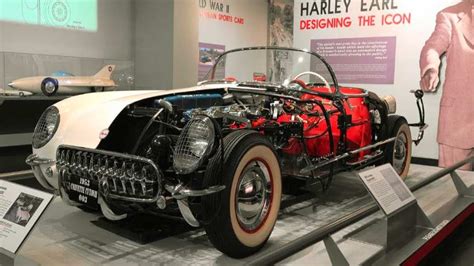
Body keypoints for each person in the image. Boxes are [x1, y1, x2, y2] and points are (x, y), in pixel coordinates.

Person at [419, 0, 474, 170]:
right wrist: (430, 68)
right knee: (453, 186)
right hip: (458, 118)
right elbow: (433, 47)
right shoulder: (449, 16)